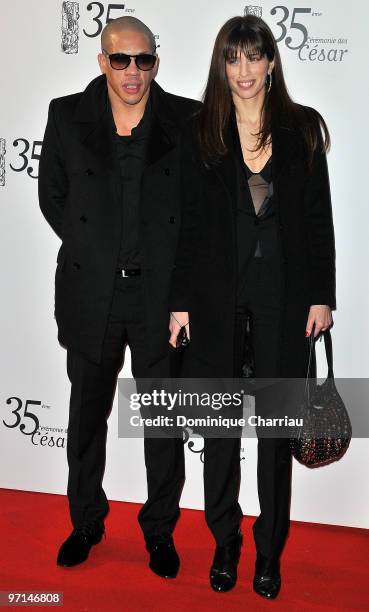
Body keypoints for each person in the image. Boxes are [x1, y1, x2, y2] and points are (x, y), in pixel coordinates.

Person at [169, 15, 336, 598]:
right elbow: (186, 227)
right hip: (217, 302)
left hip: (283, 303)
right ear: (222, 65)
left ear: (271, 62)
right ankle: (225, 544)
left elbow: (318, 219)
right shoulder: (200, 132)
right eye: (232, 58)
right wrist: (180, 303)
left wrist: (323, 294)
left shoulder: (301, 130)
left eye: (253, 57)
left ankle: (269, 552)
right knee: (219, 432)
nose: (243, 70)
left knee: (272, 435)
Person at [38, 16, 200, 577]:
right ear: (102, 61)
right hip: (91, 293)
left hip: (160, 299)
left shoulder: (187, 118)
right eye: (121, 59)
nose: (133, 72)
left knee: (163, 421)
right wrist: (98, 250)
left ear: (156, 61)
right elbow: (52, 197)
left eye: (144, 60)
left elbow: (198, 209)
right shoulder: (66, 115)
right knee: (86, 417)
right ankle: (85, 522)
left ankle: (160, 531)